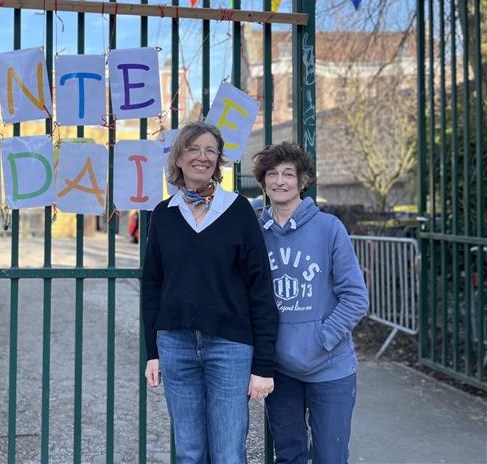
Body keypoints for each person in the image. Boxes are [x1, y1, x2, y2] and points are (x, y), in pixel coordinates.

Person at [141, 121, 278, 463]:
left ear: (218, 161)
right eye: (193, 149)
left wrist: (263, 364)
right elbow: (153, 287)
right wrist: (152, 352)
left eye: (210, 151)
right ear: (178, 158)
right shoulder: (163, 215)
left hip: (230, 347)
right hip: (175, 345)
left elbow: (260, 288)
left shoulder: (238, 211)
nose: (202, 157)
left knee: (228, 452)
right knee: (189, 452)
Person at [252, 143, 369, 464]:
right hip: (280, 370)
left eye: (288, 174)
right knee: (289, 456)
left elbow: (356, 297)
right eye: (272, 174)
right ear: (263, 183)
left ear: (303, 181)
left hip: (331, 367)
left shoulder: (329, 228)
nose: (280, 181)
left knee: (330, 457)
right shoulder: (256, 234)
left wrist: (323, 338)